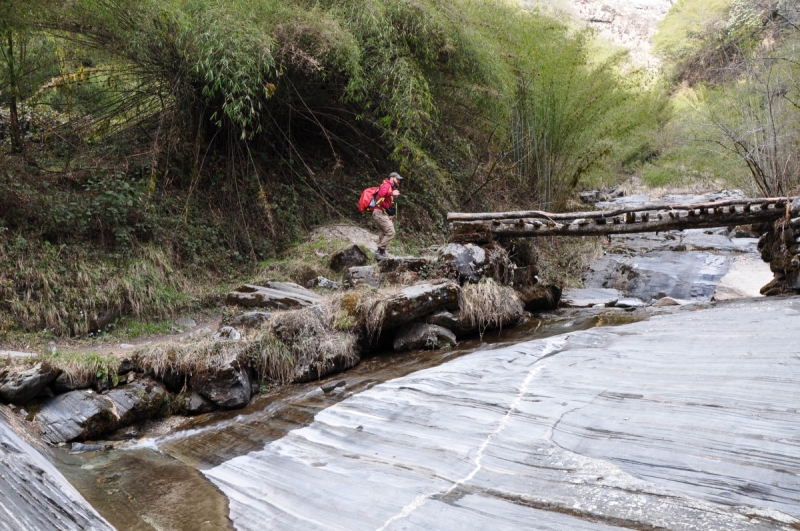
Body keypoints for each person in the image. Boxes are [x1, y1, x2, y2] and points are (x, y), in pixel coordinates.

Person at [373, 172, 402, 260]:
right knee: (391, 232)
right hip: (379, 212)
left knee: (383, 233)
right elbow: (382, 194)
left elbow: (385, 202)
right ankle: (379, 251)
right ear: (392, 178)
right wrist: (392, 193)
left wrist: (390, 213)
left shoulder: (390, 187)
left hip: (382, 212)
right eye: (397, 179)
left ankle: (381, 254)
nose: (398, 182)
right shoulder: (387, 185)